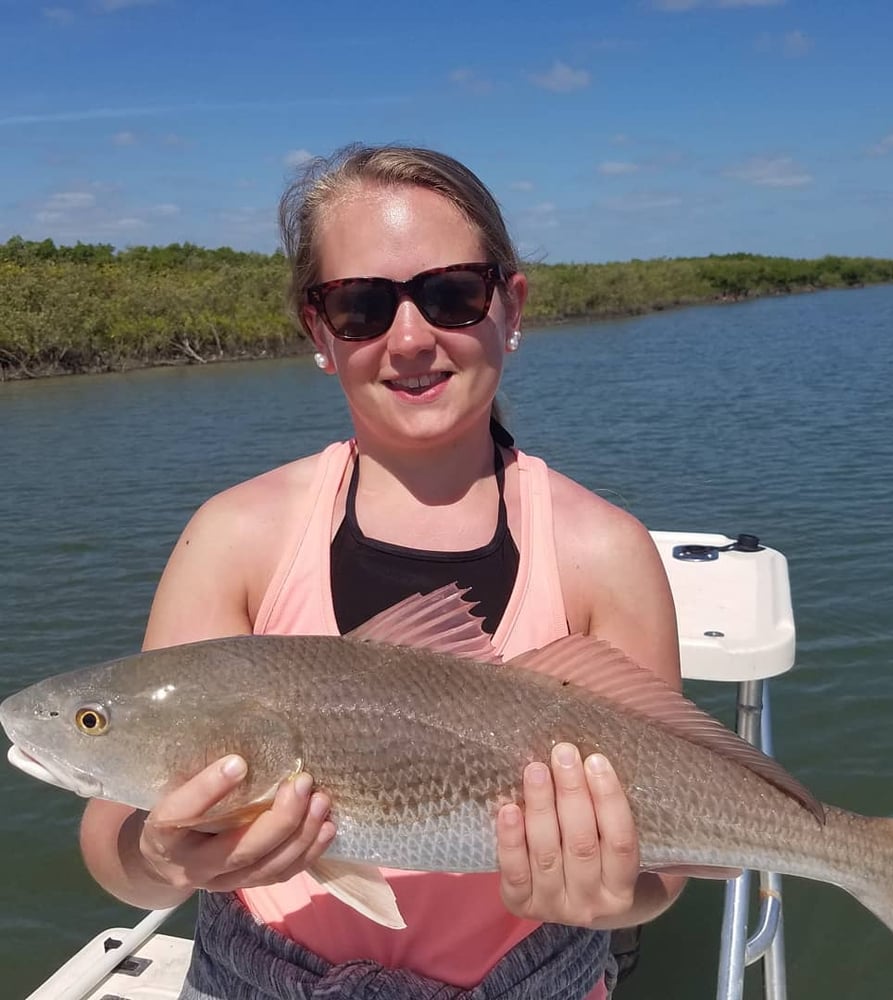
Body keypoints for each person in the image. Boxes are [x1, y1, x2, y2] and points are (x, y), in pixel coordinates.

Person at [79, 144, 686, 1000]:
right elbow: (116, 849)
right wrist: (157, 857)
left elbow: (667, 871)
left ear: (510, 308)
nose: (410, 339)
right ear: (318, 331)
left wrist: (615, 895)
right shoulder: (234, 536)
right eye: (363, 305)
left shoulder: (607, 553)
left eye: (451, 295)